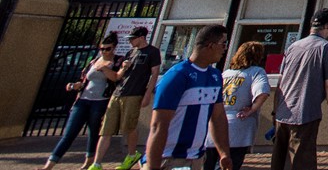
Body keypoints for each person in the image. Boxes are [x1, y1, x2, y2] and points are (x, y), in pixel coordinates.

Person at [144, 24, 230, 170]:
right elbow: (158, 124)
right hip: (169, 158)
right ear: (210, 45)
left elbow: (218, 116)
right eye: (223, 44)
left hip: (196, 158)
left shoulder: (215, 76)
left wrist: (224, 153)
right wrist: (153, 165)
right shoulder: (177, 76)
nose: (225, 49)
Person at [271, 8, 328, 170]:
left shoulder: (293, 47)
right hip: (305, 114)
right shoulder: (326, 48)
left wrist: (275, 111)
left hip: (283, 112)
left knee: (279, 160)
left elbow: (282, 81)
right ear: (327, 26)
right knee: (303, 161)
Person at [43, 34, 122, 170]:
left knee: (93, 133)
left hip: (100, 101)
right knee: (69, 133)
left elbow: (115, 78)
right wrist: (75, 85)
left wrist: (104, 68)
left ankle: (88, 163)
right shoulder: (94, 61)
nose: (104, 51)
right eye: (101, 49)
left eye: (107, 49)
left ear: (114, 48)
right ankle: (49, 165)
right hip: (83, 99)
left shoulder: (117, 61)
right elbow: (85, 79)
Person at [91, 25, 161, 170]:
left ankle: (131, 155)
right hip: (118, 93)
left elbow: (154, 74)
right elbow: (117, 77)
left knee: (129, 127)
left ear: (141, 37)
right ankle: (96, 164)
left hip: (134, 94)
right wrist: (120, 67)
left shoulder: (152, 52)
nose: (130, 41)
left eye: (133, 38)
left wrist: (147, 94)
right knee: (106, 129)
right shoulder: (130, 53)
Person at [203, 42, 270, 170]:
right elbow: (262, 92)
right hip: (238, 126)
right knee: (231, 164)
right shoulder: (256, 72)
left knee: (210, 164)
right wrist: (252, 109)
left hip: (215, 127)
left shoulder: (225, 74)